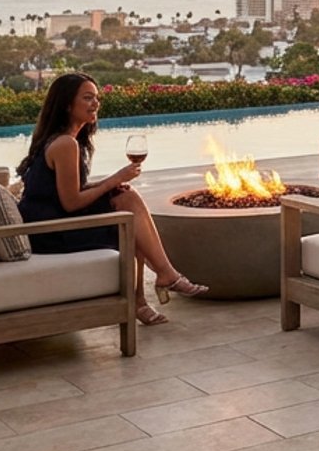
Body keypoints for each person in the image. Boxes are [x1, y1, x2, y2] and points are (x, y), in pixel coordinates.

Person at [16, 73, 206, 326]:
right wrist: (114, 179)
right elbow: (71, 203)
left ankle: (153, 287)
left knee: (127, 202)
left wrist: (111, 186)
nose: (95, 103)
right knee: (128, 216)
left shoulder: (68, 141)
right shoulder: (65, 144)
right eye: (87, 98)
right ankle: (159, 281)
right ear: (67, 105)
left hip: (54, 221)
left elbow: (68, 192)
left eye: (96, 98)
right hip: (49, 232)